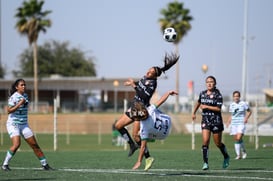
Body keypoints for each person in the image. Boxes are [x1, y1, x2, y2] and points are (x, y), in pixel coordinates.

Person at [115, 52, 179, 157]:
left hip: (141, 109)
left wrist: (133, 86)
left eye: (151, 72)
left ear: (155, 76)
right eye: (149, 70)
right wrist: (133, 83)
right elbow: (140, 86)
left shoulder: (153, 84)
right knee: (118, 126)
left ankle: (147, 156)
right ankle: (132, 145)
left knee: (136, 136)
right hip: (134, 107)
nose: (148, 72)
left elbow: (143, 95)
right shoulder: (145, 78)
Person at [1, 79, 53, 171]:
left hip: (24, 124)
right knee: (17, 144)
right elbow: (8, 111)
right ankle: (5, 164)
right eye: (22, 85)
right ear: (17, 87)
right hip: (13, 124)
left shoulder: (25, 95)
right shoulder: (14, 97)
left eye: (24, 85)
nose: (24, 86)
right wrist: (19, 104)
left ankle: (45, 165)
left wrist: (22, 102)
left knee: (34, 145)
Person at [131, 90, 178, 171]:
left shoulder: (144, 127)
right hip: (168, 120)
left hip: (162, 135)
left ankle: (149, 140)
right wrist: (168, 93)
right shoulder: (150, 109)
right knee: (155, 110)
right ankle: (149, 138)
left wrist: (139, 161)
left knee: (138, 136)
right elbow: (161, 100)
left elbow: (142, 147)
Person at [192, 75, 230, 170]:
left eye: (211, 81)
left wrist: (206, 107)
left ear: (215, 84)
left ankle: (226, 156)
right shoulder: (202, 93)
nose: (209, 83)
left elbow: (218, 109)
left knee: (218, 143)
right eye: (208, 81)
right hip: (205, 120)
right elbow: (198, 102)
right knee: (205, 142)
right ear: (206, 84)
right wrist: (194, 112)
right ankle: (205, 163)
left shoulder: (218, 95)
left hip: (216, 121)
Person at [227, 91, 252, 160]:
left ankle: (238, 155)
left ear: (239, 97)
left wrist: (246, 118)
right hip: (234, 124)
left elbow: (249, 111)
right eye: (235, 96)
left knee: (238, 138)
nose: (236, 97)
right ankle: (243, 151)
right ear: (233, 97)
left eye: (237, 96)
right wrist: (228, 121)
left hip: (241, 123)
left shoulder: (243, 104)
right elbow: (232, 115)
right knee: (237, 139)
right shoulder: (232, 105)